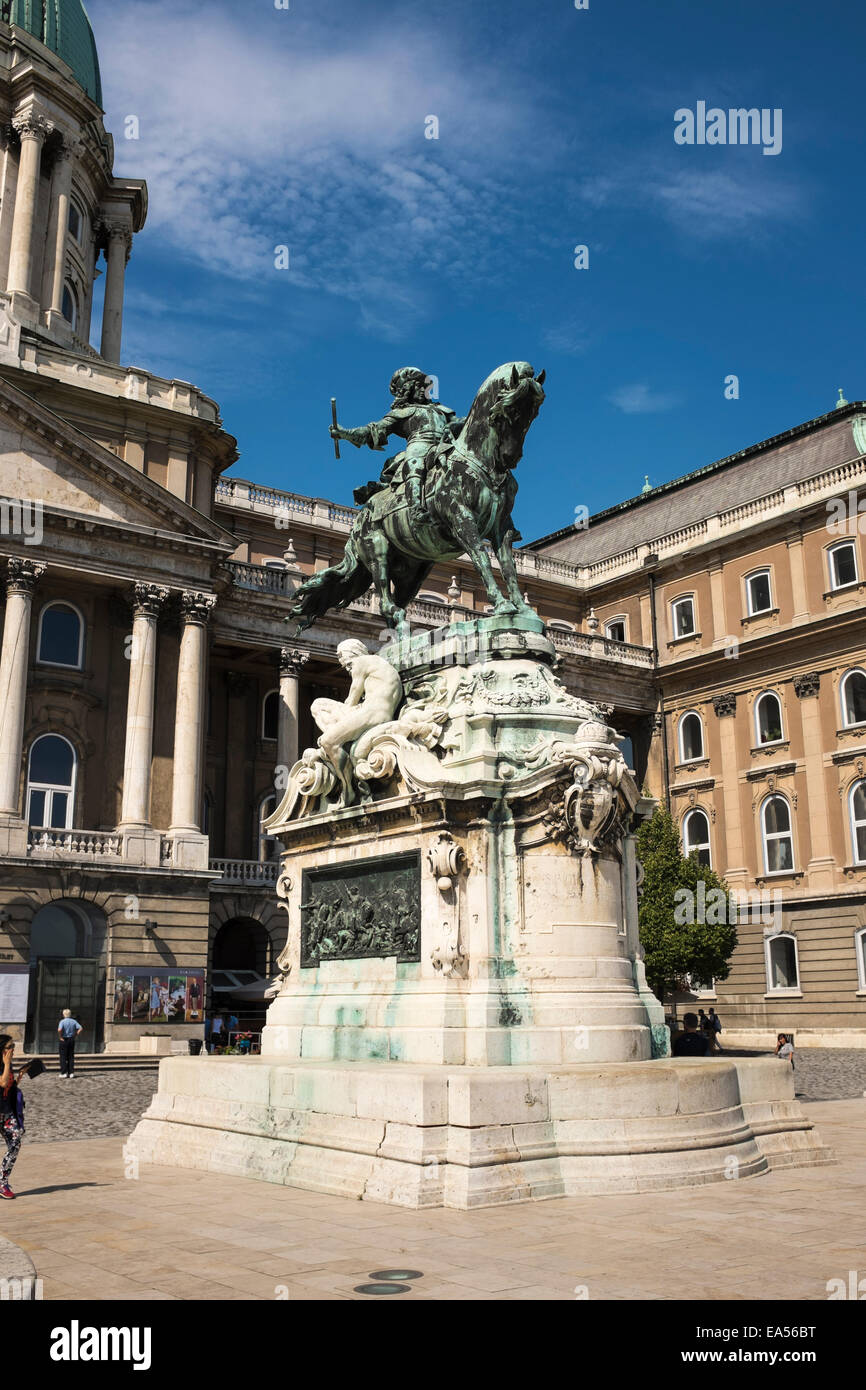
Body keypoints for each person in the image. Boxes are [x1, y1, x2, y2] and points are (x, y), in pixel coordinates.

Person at [0, 1035, 31, 1198]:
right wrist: (6, 1064)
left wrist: (19, 1077)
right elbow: (2, 1083)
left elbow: (9, 1087)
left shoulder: (9, 1065)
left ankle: (2, 1182)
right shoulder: (6, 1064)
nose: (13, 1049)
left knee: (15, 1143)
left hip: (6, 1112)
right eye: (10, 1047)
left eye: (13, 1046)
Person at [57, 1009, 82, 1079]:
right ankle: (71, 1073)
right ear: (70, 1014)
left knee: (63, 1057)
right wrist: (75, 1035)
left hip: (64, 1039)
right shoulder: (74, 1021)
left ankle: (64, 1073)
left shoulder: (62, 1021)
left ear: (63, 1014)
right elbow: (80, 1028)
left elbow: (59, 1030)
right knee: (71, 1056)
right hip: (71, 1039)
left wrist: (60, 1037)